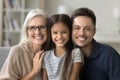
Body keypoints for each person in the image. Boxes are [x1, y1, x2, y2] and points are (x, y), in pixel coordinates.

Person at [71, 7, 120, 80]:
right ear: (71, 30)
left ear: (94, 32)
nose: (81, 33)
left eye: (87, 29)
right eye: (77, 28)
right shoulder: (66, 54)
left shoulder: (109, 55)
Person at [0, 9, 49, 80]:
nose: (37, 32)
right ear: (27, 31)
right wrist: (34, 72)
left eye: (42, 27)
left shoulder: (51, 51)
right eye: (32, 28)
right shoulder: (17, 51)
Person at [42, 14, 83, 80]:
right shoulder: (46, 55)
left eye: (64, 32)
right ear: (50, 34)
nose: (60, 36)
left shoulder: (75, 53)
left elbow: (73, 78)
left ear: (70, 32)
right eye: (55, 33)